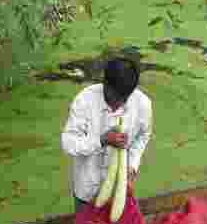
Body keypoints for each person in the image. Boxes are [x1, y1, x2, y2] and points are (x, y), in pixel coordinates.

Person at [61, 58, 152, 212]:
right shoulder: (84, 101)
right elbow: (68, 143)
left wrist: (132, 167)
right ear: (105, 84)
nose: (118, 105)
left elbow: (142, 136)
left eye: (124, 99)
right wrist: (102, 140)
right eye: (114, 98)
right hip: (87, 189)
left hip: (119, 191)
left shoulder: (142, 104)